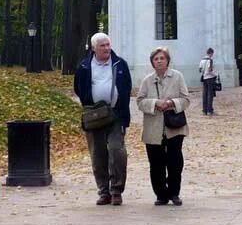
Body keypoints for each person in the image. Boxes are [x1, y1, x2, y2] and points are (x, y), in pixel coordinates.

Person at [74, 32, 132, 206]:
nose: (107, 48)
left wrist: (122, 111)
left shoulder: (120, 63)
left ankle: (117, 190)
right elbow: (78, 87)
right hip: (94, 116)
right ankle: (104, 191)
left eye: (108, 44)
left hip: (115, 115)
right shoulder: (84, 66)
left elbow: (127, 87)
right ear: (94, 48)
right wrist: (90, 103)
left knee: (117, 151)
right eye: (102, 45)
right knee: (98, 155)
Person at [137, 46, 190, 206]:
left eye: (162, 58)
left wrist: (171, 103)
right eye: (156, 59)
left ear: (167, 60)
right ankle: (161, 194)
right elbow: (140, 101)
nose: (159, 61)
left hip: (174, 126)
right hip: (153, 128)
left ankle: (174, 193)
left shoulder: (177, 77)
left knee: (175, 162)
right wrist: (155, 103)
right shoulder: (147, 80)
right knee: (156, 163)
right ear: (152, 62)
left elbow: (186, 99)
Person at [198, 47, 217, 116]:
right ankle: (209, 110)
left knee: (204, 94)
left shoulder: (202, 60)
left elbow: (200, 69)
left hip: (204, 78)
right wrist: (216, 75)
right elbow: (210, 70)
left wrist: (204, 72)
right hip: (210, 78)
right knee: (210, 94)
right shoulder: (210, 60)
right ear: (211, 53)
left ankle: (204, 110)